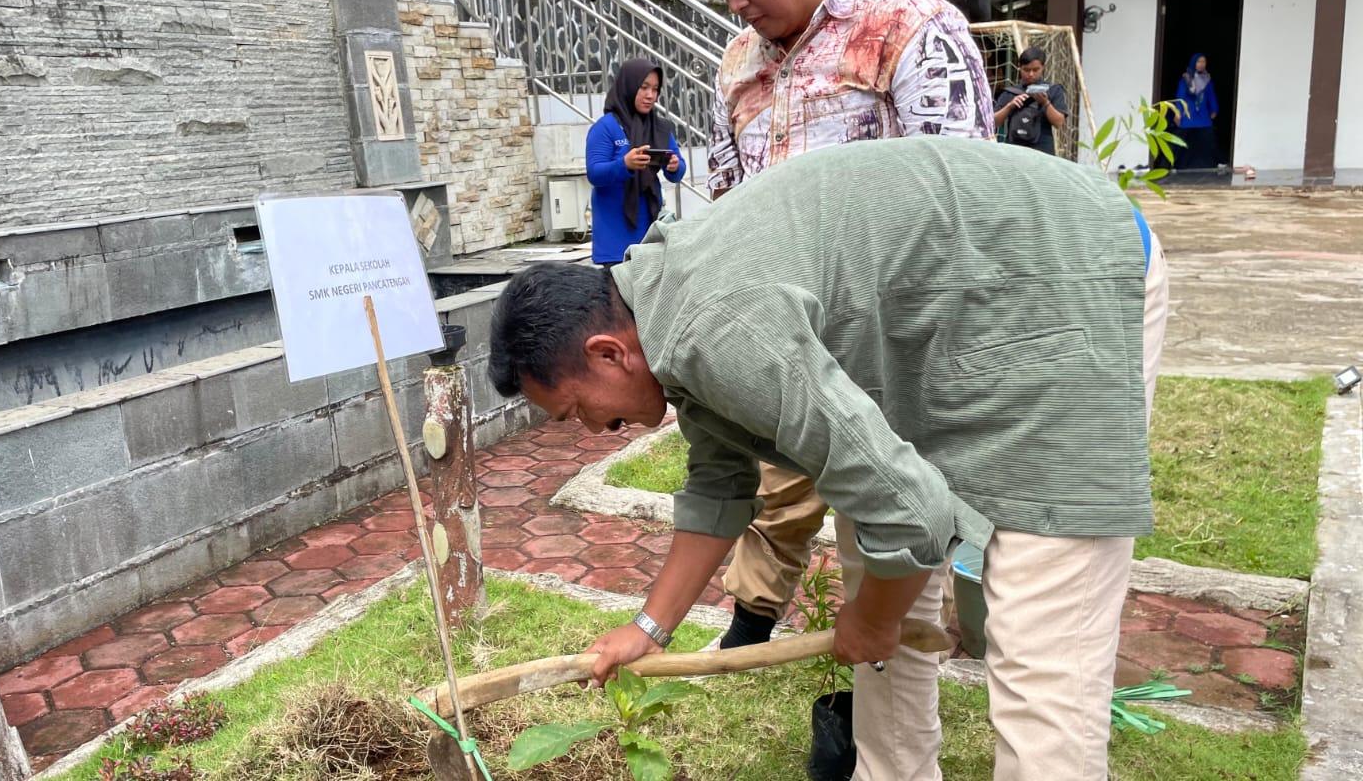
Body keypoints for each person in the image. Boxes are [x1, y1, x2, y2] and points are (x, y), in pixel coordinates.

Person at [488, 137, 1170, 781]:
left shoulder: (716, 329)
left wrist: (875, 617)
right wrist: (649, 629)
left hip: (1059, 276)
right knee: (874, 570)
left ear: (609, 352)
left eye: (575, 408)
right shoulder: (661, 309)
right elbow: (719, 483)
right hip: (950, 317)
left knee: (1037, 647)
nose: (591, 429)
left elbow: (911, 519)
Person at [696, 0, 995, 653]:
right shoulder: (736, 67)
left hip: (893, 347)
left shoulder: (908, 27)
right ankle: (753, 626)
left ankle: (916, 649)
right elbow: (729, 205)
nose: (736, 4)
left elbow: (959, 200)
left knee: (895, 525)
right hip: (792, 341)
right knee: (780, 488)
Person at [585, 59, 687, 265]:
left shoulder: (659, 127)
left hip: (649, 232)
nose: (650, 95)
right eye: (644, 87)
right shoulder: (606, 128)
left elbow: (677, 169)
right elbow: (594, 173)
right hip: (615, 236)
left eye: (655, 89)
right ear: (629, 86)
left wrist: (675, 166)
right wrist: (624, 164)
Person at [993, 46, 1068, 156]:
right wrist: (1010, 106)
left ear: (1043, 67)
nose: (1031, 74)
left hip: (1042, 154)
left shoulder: (1053, 90)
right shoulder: (1010, 92)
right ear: (1020, 68)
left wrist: (1045, 103)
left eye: (1035, 70)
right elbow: (993, 122)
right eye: (1026, 70)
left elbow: (1059, 123)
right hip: (1014, 153)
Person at [1174, 53, 1221, 171]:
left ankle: (1213, 164)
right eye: (1198, 61)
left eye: (1203, 62)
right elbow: (1180, 97)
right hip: (1188, 114)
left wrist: (1214, 109)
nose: (1201, 64)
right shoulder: (1185, 79)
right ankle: (1176, 165)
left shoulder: (1207, 79)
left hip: (1203, 114)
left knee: (1208, 139)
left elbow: (1211, 95)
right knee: (1182, 141)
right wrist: (1177, 112)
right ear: (1193, 63)